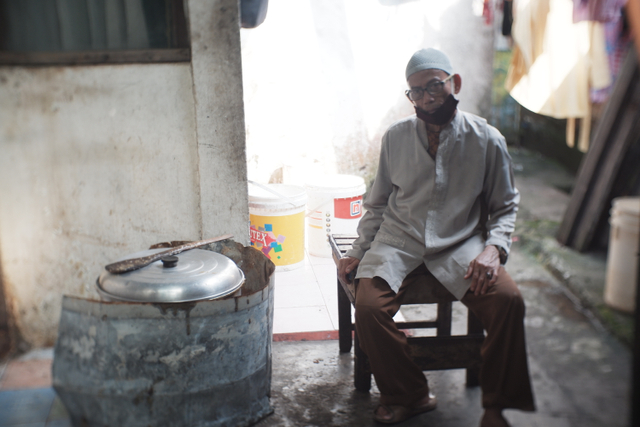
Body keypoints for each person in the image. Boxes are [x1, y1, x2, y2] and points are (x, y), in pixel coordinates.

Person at [337, 48, 535, 426]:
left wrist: (494, 248)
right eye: (416, 92)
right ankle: (409, 394)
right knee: (369, 308)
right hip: (399, 241)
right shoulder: (395, 139)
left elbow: (505, 206)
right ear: (409, 97)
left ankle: (495, 406)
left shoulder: (487, 139)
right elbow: (378, 205)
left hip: (460, 245)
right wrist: (359, 250)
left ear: (454, 83)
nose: (427, 98)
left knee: (509, 301)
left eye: (435, 86)